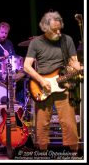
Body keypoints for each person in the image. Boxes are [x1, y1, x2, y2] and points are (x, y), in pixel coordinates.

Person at [23, 11, 82, 153]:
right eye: (55, 30)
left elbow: (74, 63)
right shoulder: (36, 43)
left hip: (63, 83)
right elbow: (26, 66)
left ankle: (74, 154)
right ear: (46, 28)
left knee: (69, 121)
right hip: (42, 86)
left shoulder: (66, 40)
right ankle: (42, 152)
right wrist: (42, 80)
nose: (58, 32)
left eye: (59, 28)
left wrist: (79, 68)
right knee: (42, 123)